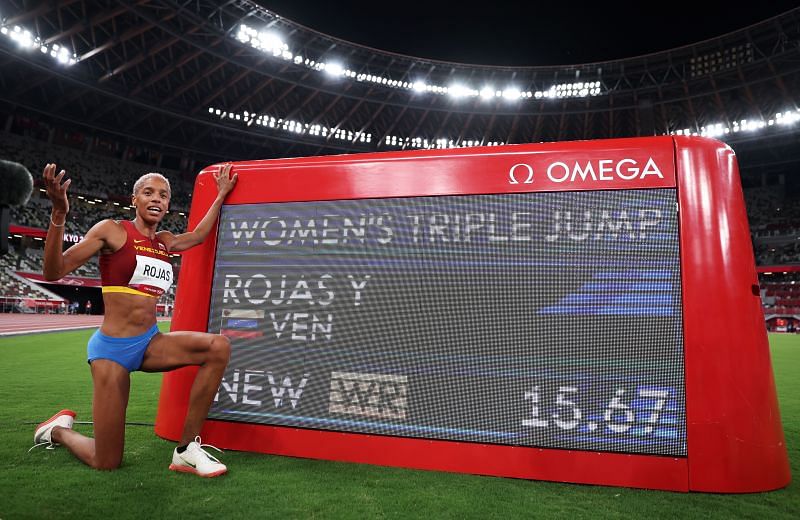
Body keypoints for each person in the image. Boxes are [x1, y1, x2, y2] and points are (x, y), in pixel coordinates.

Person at [31, 162, 237, 477]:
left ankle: (186, 450)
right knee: (106, 460)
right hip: (112, 351)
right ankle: (57, 430)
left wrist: (221, 194)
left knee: (218, 347)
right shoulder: (111, 230)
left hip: (150, 343)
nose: (156, 198)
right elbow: (53, 271)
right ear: (134, 200)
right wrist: (59, 214)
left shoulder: (165, 241)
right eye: (148, 192)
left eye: (164, 195)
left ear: (168, 204)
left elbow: (197, 235)